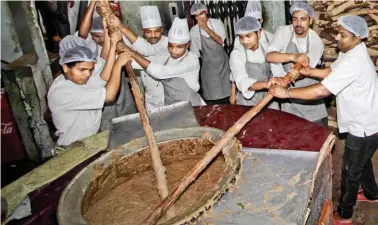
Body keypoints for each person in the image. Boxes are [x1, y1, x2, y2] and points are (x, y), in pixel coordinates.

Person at [269, 15, 378, 225]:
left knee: (350, 170)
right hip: (367, 121)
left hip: (364, 125)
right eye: (337, 32)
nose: (337, 37)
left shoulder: (355, 60)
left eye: (342, 35)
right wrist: (309, 71)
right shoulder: (350, 51)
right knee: (362, 162)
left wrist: (287, 94)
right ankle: (373, 194)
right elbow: (330, 71)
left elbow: (322, 91)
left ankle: (345, 214)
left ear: (357, 38)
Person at [48, 33, 132, 146]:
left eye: (91, 70)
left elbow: (102, 78)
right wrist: (117, 65)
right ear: (65, 67)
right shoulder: (63, 92)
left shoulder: (75, 80)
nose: (87, 74)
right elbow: (109, 96)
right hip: (73, 146)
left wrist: (112, 47)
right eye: (82, 70)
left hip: (88, 141)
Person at [266, 2, 327, 127]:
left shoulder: (316, 42)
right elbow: (269, 56)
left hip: (310, 100)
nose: (298, 24)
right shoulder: (284, 31)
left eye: (303, 19)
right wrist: (292, 56)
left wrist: (284, 79)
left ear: (311, 20)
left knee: (318, 138)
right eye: (295, 19)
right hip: (288, 102)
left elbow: (304, 72)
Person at [78, 1, 137, 130]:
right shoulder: (87, 47)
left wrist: (110, 33)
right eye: (96, 36)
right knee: (109, 129)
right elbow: (104, 59)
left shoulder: (116, 37)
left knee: (130, 121)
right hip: (102, 94)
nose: (101, 39)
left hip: (121, 93)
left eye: (102, 36)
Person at [123, 17, 206, 107]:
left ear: (187, 45)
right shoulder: (166, 55)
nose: (173, 51)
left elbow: (160, 72)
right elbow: (146, 62)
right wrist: (122, 56)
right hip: (172, 106)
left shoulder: (192, 60)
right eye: (171, 46)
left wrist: (132, 53)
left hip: (192, 105)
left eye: (179, 47)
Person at [108, 5, 168, 110]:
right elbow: (126, 43)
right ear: (143, 32)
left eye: (157, 31)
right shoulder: (143, 43)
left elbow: (147, 51)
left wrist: (122, 26)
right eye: (149, 32)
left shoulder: (168, 43)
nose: (153, 35)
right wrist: (115, 29)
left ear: (162, 30)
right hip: (150, 97)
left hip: (166, 96)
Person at [230, 0, 275, 104]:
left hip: (269, 97)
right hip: (248, 100)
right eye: (242, 37)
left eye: (249, 36)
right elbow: (238, 74)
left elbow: (276, 68)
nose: (245, 41)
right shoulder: (238, 51)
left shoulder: (269, 42)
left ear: (258, 32)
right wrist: (233, 93)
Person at [189, 3, 231, 104]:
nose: (200, 17)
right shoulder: (194, 31)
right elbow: (195, 54)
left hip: (223, 64)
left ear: (206, 12)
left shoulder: (216, 23)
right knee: (213, 99)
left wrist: (206, 28)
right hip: (209, 68)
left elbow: (220, 41)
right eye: (196, 15)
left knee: (229, 95)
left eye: (201, 14)